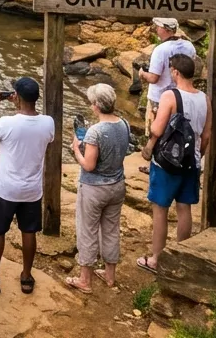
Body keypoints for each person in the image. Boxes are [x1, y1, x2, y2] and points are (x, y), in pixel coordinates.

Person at [0, 77, 55, 296]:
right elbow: (42, 136)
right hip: (31, 189)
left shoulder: (6, 123)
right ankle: (26, 277)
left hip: (6, 188)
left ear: (16, 97)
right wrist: (20, 106)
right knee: (29, 231)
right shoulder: (48, 122)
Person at [138, 54, 210, 274]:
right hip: (192, 161)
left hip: (167, 161)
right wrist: (199, 155)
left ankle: (156, 259)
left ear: (176, 72)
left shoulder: (170, 95)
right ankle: (181, 257)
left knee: (160, 209)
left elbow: (158, 130)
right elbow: (206, 135)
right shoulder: (205, 99)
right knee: (184, 208)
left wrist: (149, 146)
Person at [66, 84, 131, 293]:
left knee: (88, 230)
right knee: (111, 229)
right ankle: (110, 275)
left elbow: (89, 165)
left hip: (94, 188)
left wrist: (77, 149)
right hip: (117, 185)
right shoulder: (124, 124)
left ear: (95, 106)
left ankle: (85, 280)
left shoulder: (95, 132)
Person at [137, 18, 196, 138]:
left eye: (158, 27)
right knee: (178, 132)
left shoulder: (160, 50)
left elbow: (154, 78)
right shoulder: (189, 46)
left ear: (165, 29)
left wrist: (142, 74)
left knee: (156, 133)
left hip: (159, 98)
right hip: (183, 96)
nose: (156, 29)